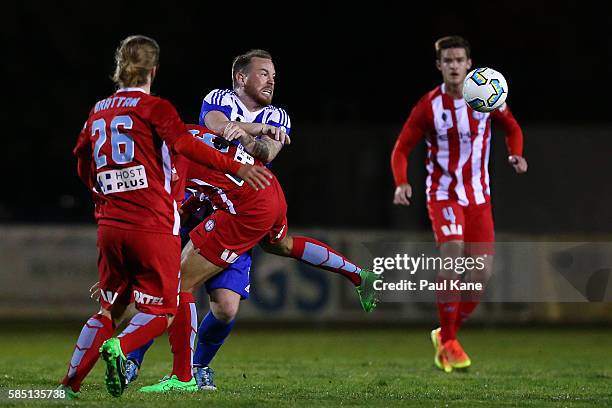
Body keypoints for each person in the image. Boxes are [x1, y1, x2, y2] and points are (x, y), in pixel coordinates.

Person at [125, 50, 380, 393]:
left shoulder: (279, 115)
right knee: (192, 279)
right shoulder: (219, 97)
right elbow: (214, 126)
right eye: (263, 73)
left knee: (205, 298)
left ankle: (189, 368)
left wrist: (243, 134)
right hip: (206, 202)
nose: (272, 80)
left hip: (241, 204)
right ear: (242, 78)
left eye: (274, 74)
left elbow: (267, 153)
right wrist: (255, 132)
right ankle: (135, 361)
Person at [58, 35, 271, 399]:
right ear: (153, 70)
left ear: (118, 68)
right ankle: (126, 351)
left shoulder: (98, 110)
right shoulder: (155, 108)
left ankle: (68, 386)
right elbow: (187, 145)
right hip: (153, 224)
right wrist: (236, 164)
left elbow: (81, 157)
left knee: (110, 307)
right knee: (165, 305)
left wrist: (98, 194)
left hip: (109, 224)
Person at [390, 36, 527, 373]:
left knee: (481, 274)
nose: (453, 66)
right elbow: (401, 148)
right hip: (443, 193)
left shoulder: (486, 96)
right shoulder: (428, 106)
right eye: (447, 61)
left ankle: (447, 335)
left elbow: (512, 128)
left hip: (479, 196)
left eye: (459, 60)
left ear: (469, 64)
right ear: (439, 66)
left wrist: (516, 154)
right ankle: (449, 341)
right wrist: (401, 182)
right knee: (452, 254)